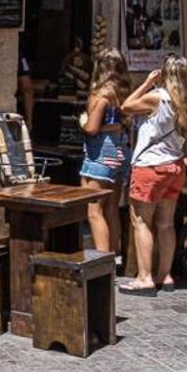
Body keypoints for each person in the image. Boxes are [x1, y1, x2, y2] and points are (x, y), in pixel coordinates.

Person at [119, 54, 187, 293]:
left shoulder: (158, 98)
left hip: (151, 167)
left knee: (141, 221)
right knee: (166, 224)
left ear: (166, 75)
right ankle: (164, 275)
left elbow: (126, 106)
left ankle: (144, 277)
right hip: (174, 166)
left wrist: (146, 82)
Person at [78, 48, 133, 262]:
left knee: (94, 210)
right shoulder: (123, 91)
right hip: (120, 151)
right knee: (112, 208)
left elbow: (92, 128)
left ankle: (102, 262)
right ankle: (112, 254)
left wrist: (84, 121)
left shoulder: (100, 94)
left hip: (100, 153)